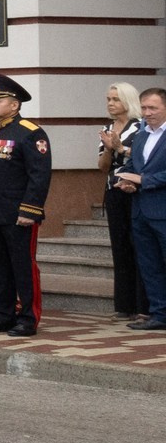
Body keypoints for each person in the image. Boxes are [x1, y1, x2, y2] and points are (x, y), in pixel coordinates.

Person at [0, 74, 50, 337]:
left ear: (14, 105)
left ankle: (28, 317)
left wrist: (30, 210)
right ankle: (2, 315)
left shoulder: (29, 132)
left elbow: (39, 175)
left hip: (17, 214)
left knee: (22, 266)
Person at [114, 86, 166, 331]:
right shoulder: (143, 134)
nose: (147, 113)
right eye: (144, 108)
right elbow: (135, 164)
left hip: (163, 211)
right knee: (149, 265)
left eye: (153, 108)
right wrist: (127, 181)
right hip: (141, 211)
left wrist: (144, 181)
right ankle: (159, 313)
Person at [98, 81, 147, 322]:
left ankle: (142, 304)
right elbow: (102, 166)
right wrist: (109, 149)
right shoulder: (107, 128)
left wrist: (120, 147)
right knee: (119, 247)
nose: (110, 103)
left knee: (138, 245)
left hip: (135, 191)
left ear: (128, 101)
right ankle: (123, 304)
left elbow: (142, 159)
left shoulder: (140, 127)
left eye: (115, 99)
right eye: (108, 99)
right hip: (113, 190)